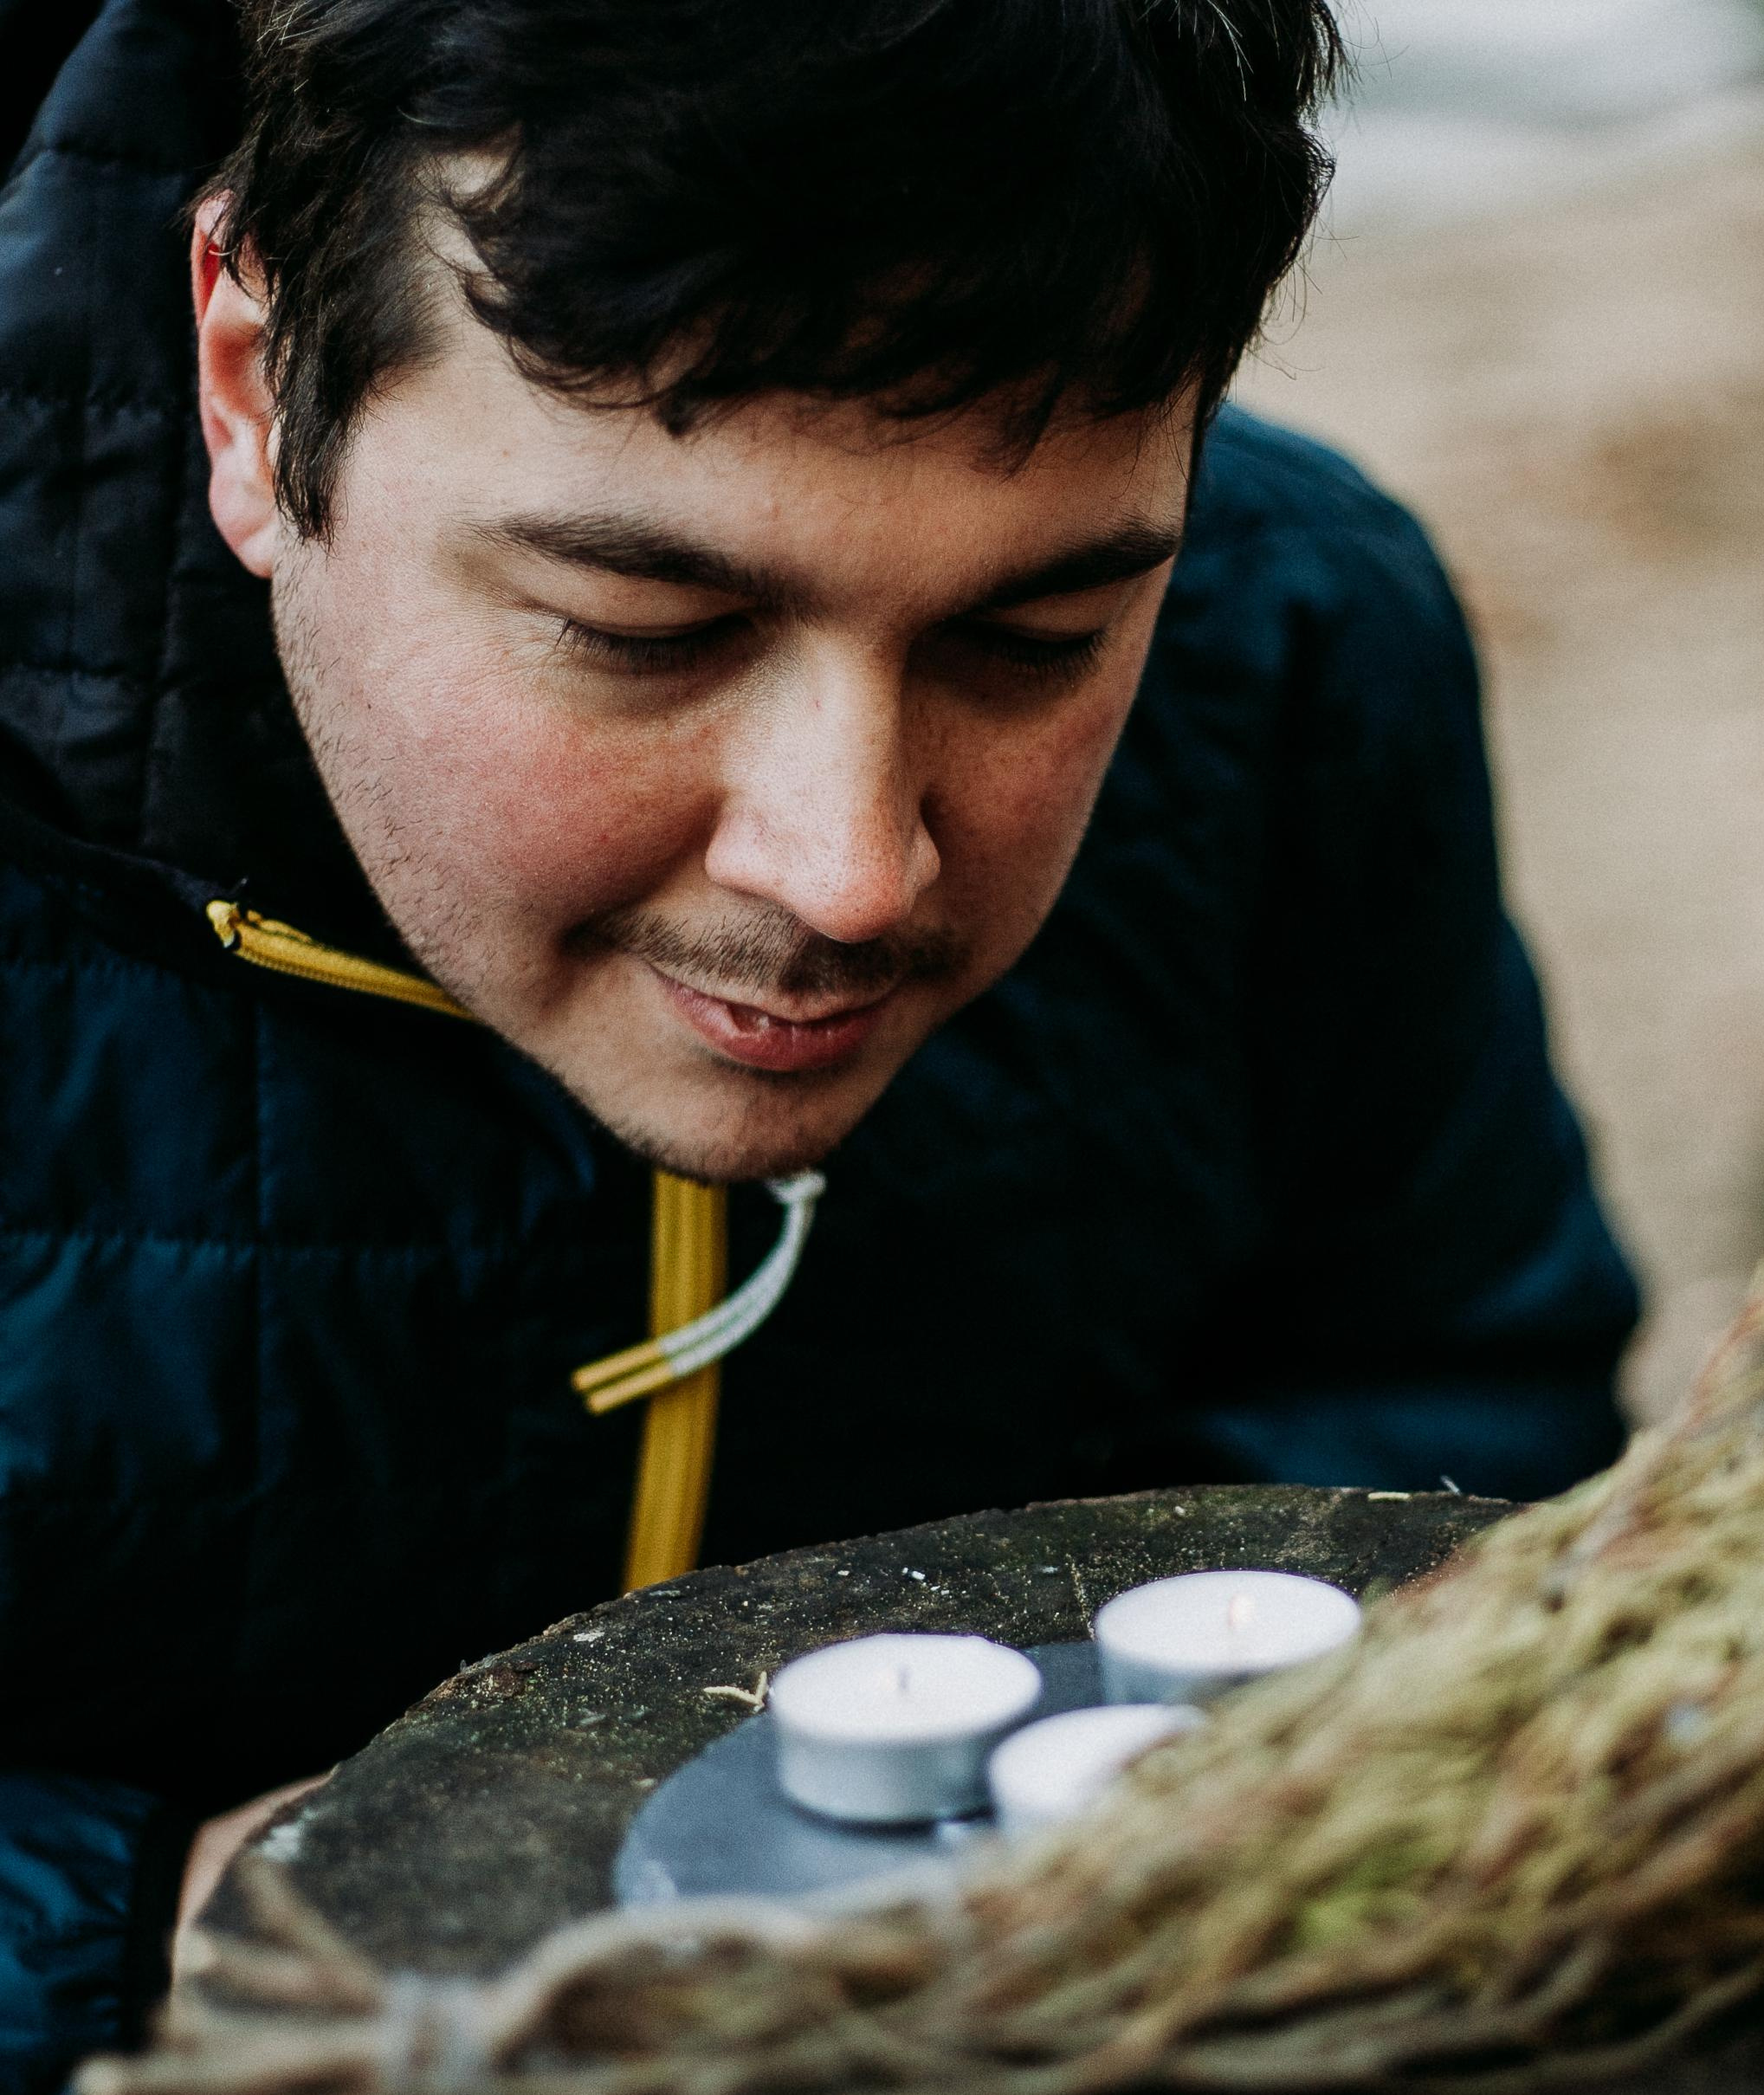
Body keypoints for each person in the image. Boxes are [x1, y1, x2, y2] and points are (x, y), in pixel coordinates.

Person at [0, 0, 1639, 2083]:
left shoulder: (1302, 646)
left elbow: (1452, 1414)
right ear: (251, 380)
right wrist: (171, 1923)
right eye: (646, 630)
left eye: (1032, 640)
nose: (850, 869)